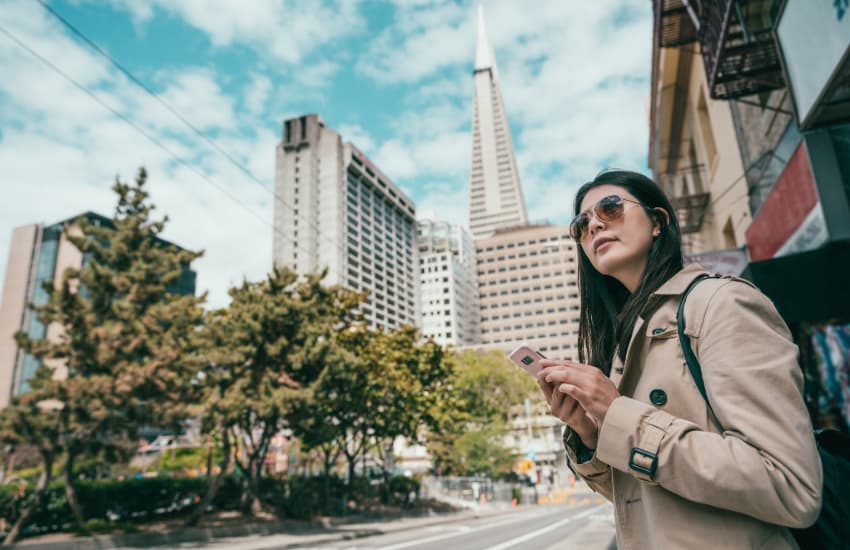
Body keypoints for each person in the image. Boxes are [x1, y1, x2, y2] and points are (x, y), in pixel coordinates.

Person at [536, 170, 822, 549]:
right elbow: (649, 503)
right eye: (581, 223)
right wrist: (592, 433)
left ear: (658, 221)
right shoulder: (627, 341)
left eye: (611, 207)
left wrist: (620, 414)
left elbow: (791, 488)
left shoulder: (721, 304)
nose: (594, 224)